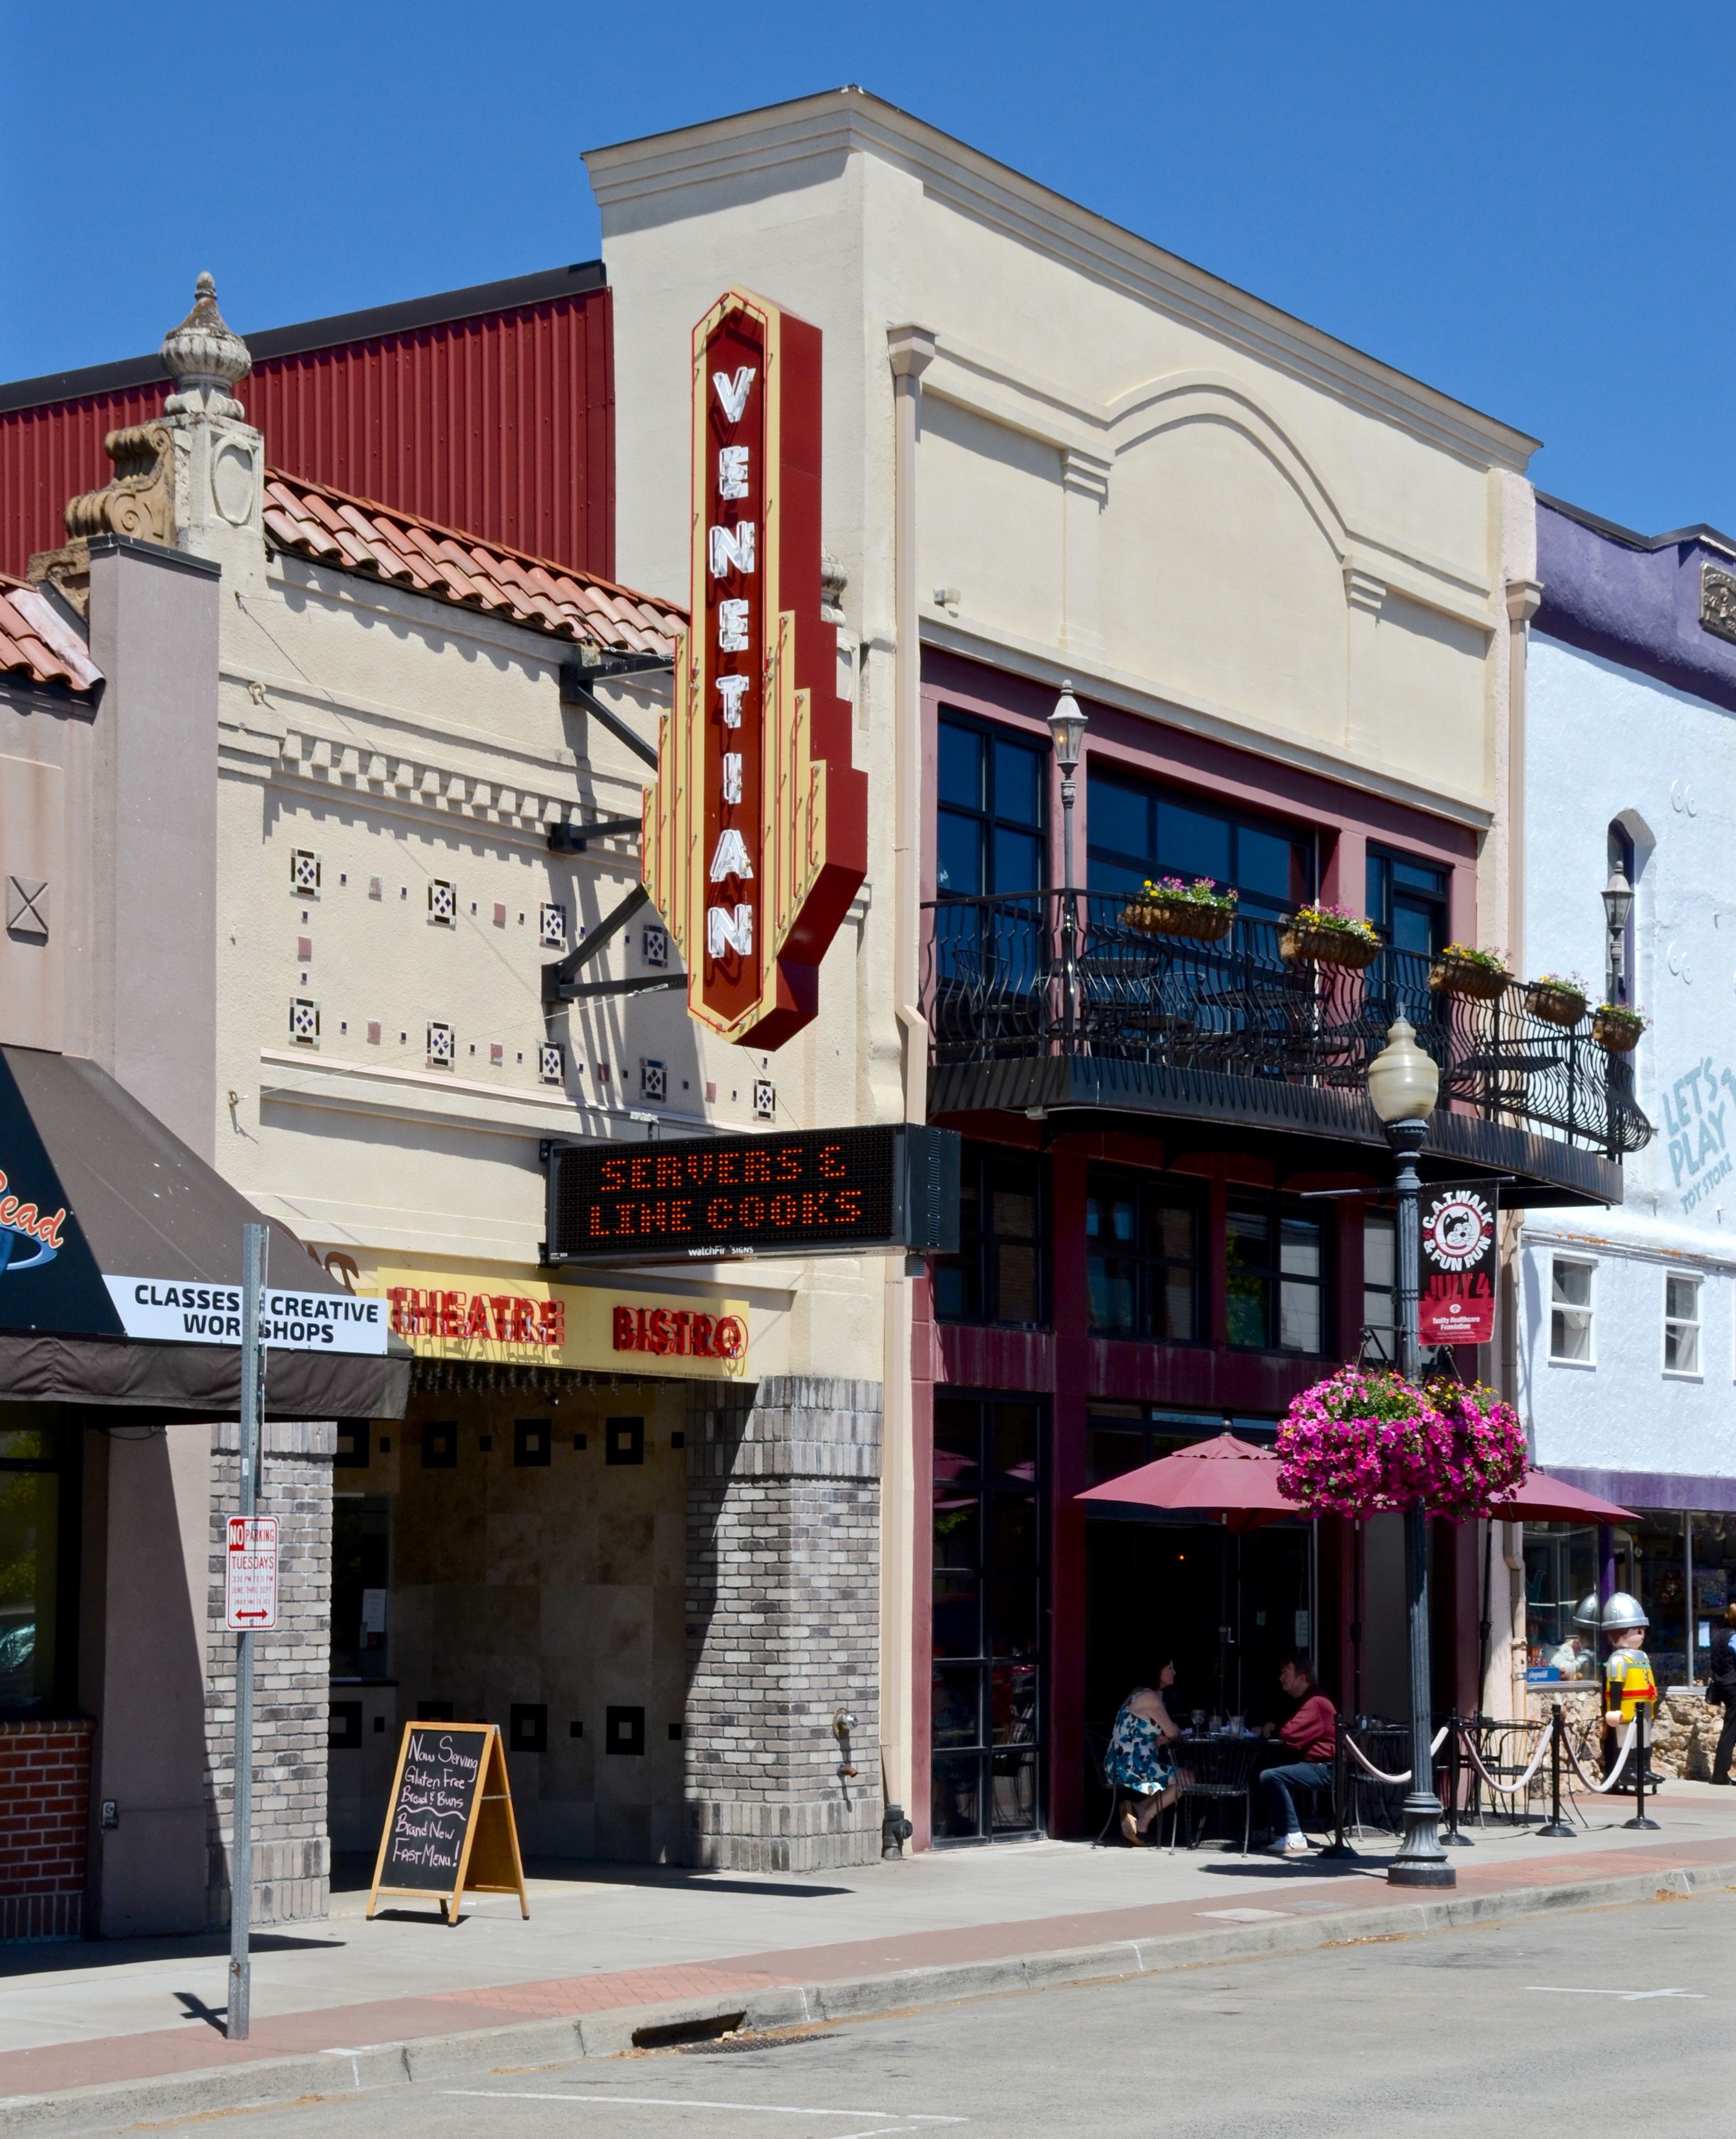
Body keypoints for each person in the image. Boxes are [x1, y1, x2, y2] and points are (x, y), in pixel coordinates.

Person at [1257, 1654, 1337, 1856]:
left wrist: (1271, 1729)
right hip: (1316, 1764)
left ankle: (1293, 1835)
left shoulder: (1315, 1701)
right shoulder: (1304, 1700)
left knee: (1272, 1776)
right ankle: (1278, 1831)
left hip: (1326, 1768)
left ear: (1302, 1677)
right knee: (1268, 1770)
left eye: (1286, 1673)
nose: (1281, 1678)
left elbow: (1290, 1734)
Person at [1105, 1664, 1183, 1844]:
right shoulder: (1149, 1696)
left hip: (1119, 1763)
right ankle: (1143, 1822)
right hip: (1132, 1765)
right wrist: (1176, 1730)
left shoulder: (1138, 1692)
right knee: (1185, 1780)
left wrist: (1159, 1737)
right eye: (1169, 1667)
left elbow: (1140, 1729)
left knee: (1182, 1777)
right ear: (1157, 1670)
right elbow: (1172, 1732)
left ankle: (1138, 1808)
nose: (1174, 1672)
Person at [1705, 1603, 1736, 1783]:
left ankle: (1720, 1774)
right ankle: (1719, 1775)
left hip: (1722, 1685)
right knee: (1731, 1731)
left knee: (1731, 1729)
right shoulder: (1733, 1637)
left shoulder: (1718, 1636)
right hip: (1733, 1686)